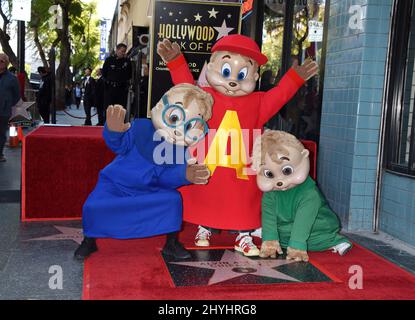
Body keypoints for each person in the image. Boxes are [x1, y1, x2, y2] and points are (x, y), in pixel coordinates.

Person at [157, 35, 318, 256]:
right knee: (205, 195)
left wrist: (294, 79)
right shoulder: (204, 96)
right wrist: (176, 63)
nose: (233, 81)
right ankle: (204, 227)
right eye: (225, 71)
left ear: (255, 76)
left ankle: (243, 235)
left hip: (242, 169)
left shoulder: (259, 102)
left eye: (242, 75)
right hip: (207, 163)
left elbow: (280, 95)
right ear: (211, 67)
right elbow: (185, 89)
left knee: (242, 203)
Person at [74, 84, 213, 260]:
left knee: (172, 200)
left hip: (151, 188)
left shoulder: (180, 151)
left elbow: (165, 179)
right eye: (176, 117)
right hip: (116, 184)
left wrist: (184, 174)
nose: (179, 129)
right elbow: (119, 145)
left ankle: (171, 243)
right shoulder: (141, 128)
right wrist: (113, 131)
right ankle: (89, 240)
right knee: (94, 205)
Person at [252, 130, 352, 261]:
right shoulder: (270, 193)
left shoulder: (309, 193)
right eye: (270, 174)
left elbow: (303, 221)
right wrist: (269, 239)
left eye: (287, 170)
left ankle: (334, 241)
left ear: (304, 156)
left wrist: (296, 247)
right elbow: (269, 216)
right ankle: (278, 238)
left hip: (317, 223)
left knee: (314, 236)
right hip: (288, 224)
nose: (280, 181)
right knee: (274, 230)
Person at [0, 53, 20, 162]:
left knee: (1, 133)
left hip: (3, 111)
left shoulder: (12, 79)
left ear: (6, 63)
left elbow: (17, 96)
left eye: (2, 61)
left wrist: (7, 103)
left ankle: (0, 154)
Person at [102, 43, 132, 112]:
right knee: (110, 109)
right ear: (117, 50)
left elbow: (129, 75)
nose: (123, 53)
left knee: (120, 110)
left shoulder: (127, 61)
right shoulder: (109, 60)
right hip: (110, 89)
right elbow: (104, 73)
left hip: (122, 90)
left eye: (124, 51)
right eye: (122, 51)